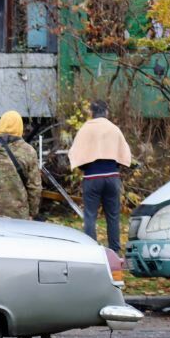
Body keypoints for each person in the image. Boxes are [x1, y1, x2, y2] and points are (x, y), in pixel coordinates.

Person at [67, 100, 132, 254]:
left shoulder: (85, 129)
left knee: (90, 215)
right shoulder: (114, 129)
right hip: (112, 176)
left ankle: (91, 250)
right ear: (106, 112)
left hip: (92, 177)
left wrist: (86, 167)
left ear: (91, 112)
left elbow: (76, 153)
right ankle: (114, 250)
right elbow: (124, 154)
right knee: (113, 215)